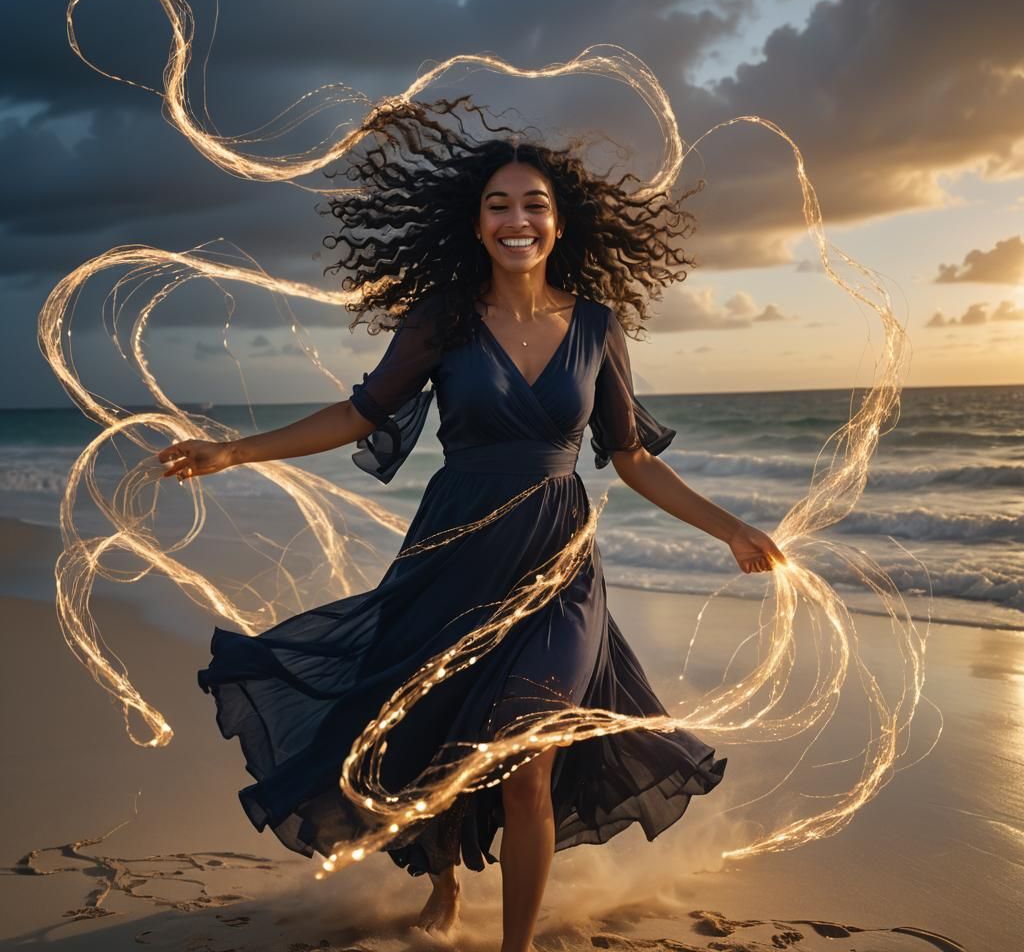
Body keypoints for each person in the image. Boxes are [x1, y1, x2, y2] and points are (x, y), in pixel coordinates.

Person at [158, 100, 786, 952]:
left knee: (529, 758)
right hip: (456, 553)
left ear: (561, 225)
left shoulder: (597, 327)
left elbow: (631, 458)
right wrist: (237, 452)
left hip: (559, 570)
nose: (516, 219)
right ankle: (445, 881)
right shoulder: (443, 321)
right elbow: (358, 414)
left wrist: (732, 529)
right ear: (477, 221)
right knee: (440, 734)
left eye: (533, 204)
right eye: (499, 204)